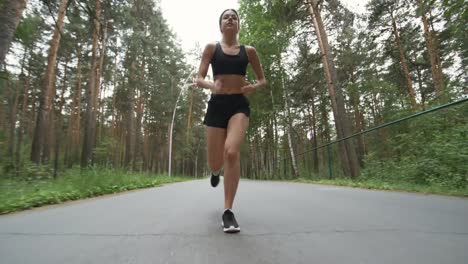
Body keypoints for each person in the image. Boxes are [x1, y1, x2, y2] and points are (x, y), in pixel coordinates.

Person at [194, 8, 267, 233]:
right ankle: (215, 172)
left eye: (234, 17)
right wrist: (210, 85)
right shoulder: (211, 48)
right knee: (216, 162)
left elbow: (263, 80)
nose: (230, 19)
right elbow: (198, 78)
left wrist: (253, 87)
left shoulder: (249, 51)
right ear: (220, 25)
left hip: (238, 105)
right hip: (217, 106)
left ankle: (228, 212)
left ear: (238, 25)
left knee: (232, 152)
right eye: (226, 16)